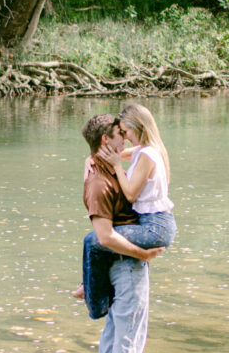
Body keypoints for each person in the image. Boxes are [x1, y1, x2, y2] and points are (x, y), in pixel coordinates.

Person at [80, 114, 166, 353]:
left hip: (120, 258)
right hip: (126, 260)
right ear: (107, 140)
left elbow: (143, 150)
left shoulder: (103, 166)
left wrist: (91, 157)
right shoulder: (98, 181)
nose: (126, 138)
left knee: (117, 325)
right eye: (121, 133)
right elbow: (104, 237)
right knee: (131, 327)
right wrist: (143, 254)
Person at [75, 104, 176, 320]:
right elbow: (114, 154)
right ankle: (88, 286)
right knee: (97, 242)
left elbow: (130, 194)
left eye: (126, 131)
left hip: (154, 227)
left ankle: (95, 304)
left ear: (138, 127)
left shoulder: (147, 154)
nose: (126, 137)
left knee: (93, 240)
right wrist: (89, 159)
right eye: (121, 133)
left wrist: (117, 167)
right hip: (151, 223)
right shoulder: (144, 150)